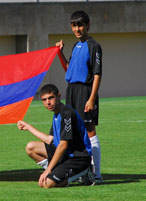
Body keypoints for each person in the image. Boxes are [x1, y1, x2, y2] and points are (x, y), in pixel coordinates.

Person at [55, 10, 103, 182]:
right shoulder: (76, 46)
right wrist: (60, 53)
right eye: (74, 26)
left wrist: (91, 98)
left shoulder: (94, 46)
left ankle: (97, 175)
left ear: (88, 26)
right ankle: (83, 171)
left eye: (80, 25)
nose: (77, 29)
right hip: (72, 91)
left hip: (85, 92)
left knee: (90, 131)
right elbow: (69, 70)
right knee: (75, 132)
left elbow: (97, 74)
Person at [17, 84, 93, 188]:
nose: (48, 102)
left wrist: (47, 171)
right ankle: (56, 172)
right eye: (44, 100)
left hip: (78, 158)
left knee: (46, 184)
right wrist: (28, 127)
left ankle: (83, 173)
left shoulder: (67, 113)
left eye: (51, 98)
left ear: (58, 96)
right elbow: (49, 140)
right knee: (31, 147)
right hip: (66, 155)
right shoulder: (57, 114)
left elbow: (63, 145)